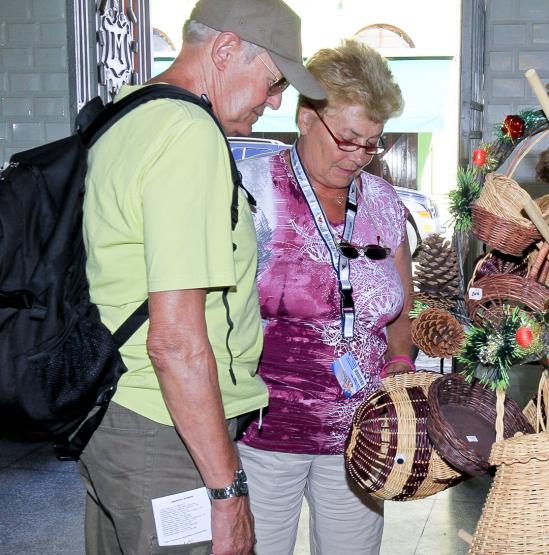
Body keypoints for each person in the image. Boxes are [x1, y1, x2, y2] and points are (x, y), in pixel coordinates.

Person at [77, 1, 326, 554]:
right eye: (274, 81)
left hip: (112, 412)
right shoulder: (188, 133)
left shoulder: (127, 113)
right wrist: (227, 491)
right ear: (226, 50)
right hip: (166, 429)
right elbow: (176, 343)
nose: (276, 101)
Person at [235, 39, 413, 555]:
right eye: (348, 139)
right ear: (306, 118)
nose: (358, 157)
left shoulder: (383, 201)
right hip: (263, 436)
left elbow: (401, 306)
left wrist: (401, 363)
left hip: (361, 435)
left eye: (372, 144)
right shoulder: (251, 191)